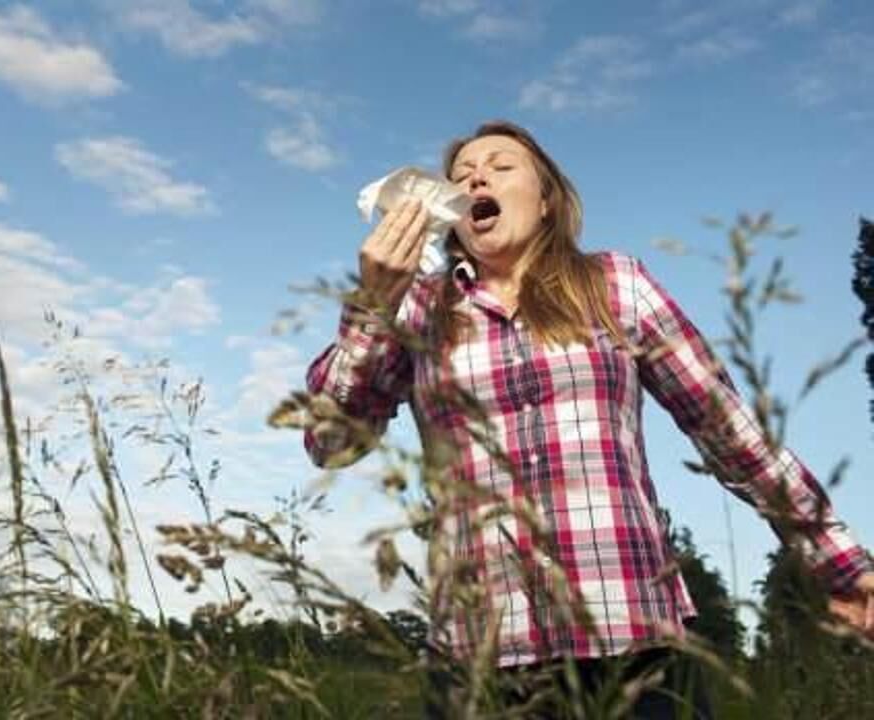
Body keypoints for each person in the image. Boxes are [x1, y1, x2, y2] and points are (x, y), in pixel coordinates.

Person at [302, 120, 874, 718]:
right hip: (481, 659)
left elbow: (730, 433)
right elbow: (330, 441)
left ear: (547, 200)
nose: (476, 176)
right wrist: (373, 306)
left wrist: (837, 561)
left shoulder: (615, 285)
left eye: (500, 165)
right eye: (462, 173)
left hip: (633, 643)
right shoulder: (420, 309)